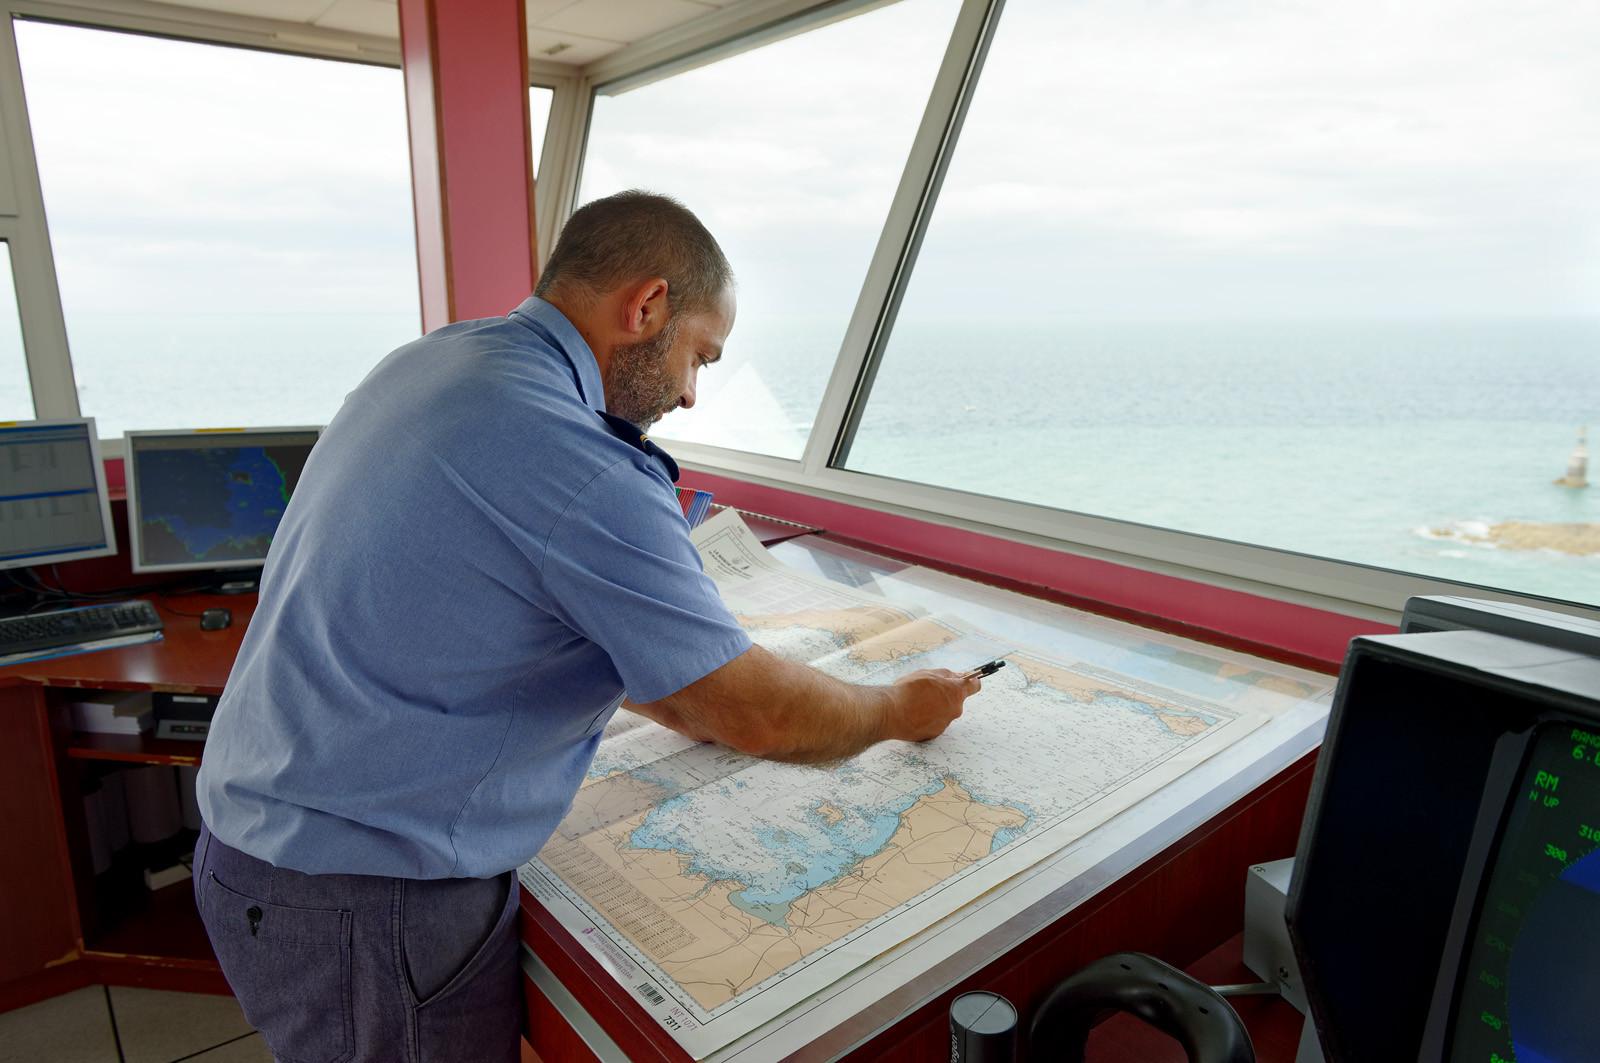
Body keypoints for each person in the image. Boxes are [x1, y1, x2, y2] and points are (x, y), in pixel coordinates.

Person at [193, 190, 980, 1063]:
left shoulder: (435, 362)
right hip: (370, 901)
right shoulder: (578, 458)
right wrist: (899, 709)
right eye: (699, 356)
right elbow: (758, 712)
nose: (689, 393)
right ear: (645, 307)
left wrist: (689, 687)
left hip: (256, 848)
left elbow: (529, 619)